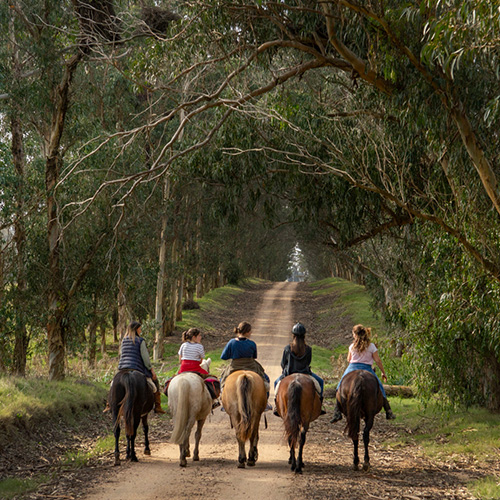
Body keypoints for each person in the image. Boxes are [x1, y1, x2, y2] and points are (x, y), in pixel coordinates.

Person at [331, 324, 395, 422]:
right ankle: (388, 410)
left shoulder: (352, 346)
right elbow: (377, 360)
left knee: (340, 386)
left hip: (352, 367)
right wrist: (383, 372)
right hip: (367, 369)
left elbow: (349, 359)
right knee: (380, 386)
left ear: (355, 334)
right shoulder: (371, 346)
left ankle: (337, 411)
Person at [273, 322, 326, 416]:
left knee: (276, 383)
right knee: (320, 382)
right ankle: (320, 405)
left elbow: (282, 363)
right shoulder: (308, 349)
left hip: (289, 373)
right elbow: (308, 362)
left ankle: (276, 406)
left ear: (293, 335)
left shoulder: (287, 348)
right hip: (305, 373)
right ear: (304, 336)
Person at [220, 321, 272, 410]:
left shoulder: (231, 342)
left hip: (235, 366)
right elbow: (254, 356)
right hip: (251, 365)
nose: (251, 333)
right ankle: (265, 402)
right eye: (250, 331)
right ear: (247, 332)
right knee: (266, 379)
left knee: (222, 380)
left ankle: (224, 402)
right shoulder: (252, 343)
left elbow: (223, 357)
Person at [117, 321, 165, 414]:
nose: (141, 330)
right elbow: (145, 358)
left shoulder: (123, 340)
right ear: (136, 329)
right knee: (155, 384)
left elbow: (122, 355)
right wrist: (151, 369)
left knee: (113, 384)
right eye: (140, 328)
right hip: (136, 367)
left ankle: (109, 404)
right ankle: (158, 406)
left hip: (123, 367)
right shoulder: (140, 340)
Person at [177, 328, 221, 408]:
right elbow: (201, 361)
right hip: (195, 369)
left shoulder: (183, 345)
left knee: (173, 380)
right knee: (211, 379)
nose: (200, 337)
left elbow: (180, 360)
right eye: (199, 336)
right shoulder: (199, 346)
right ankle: (213, 401)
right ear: (194, 337)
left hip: (183, 369)